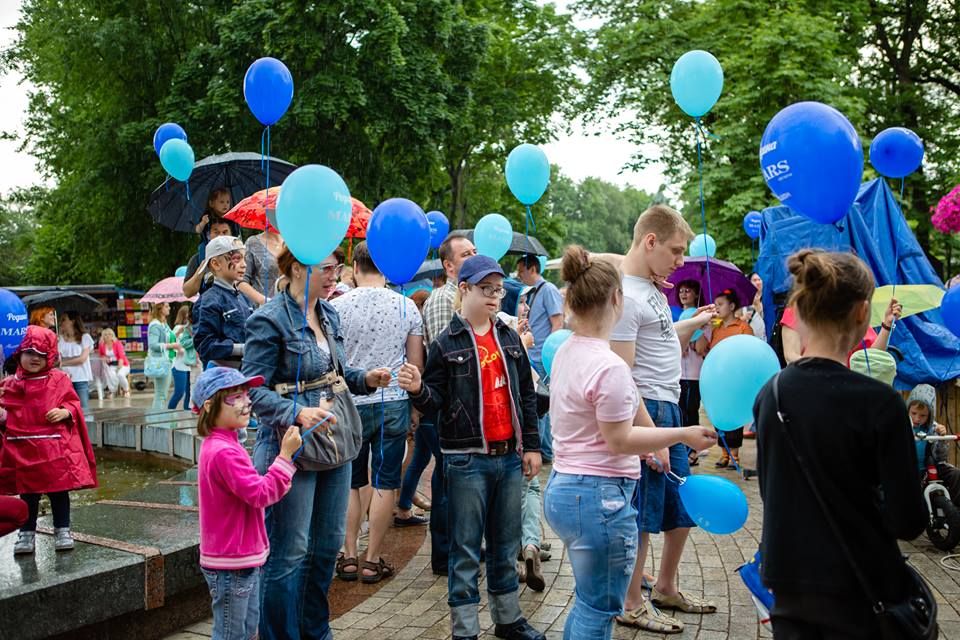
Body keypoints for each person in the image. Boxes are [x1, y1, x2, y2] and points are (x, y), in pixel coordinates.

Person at [544, 246, 716, 640]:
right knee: (599, 608)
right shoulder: (611, 367)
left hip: (566, 491)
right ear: (617, 299)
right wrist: (681, 435)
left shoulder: (568, 350)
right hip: (599, 498)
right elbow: (619, 439)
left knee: (587, 602)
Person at [753, 249, 927, 638]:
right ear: (863, 313)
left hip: (788, 584)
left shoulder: (771, 394)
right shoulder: (881, 404)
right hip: (861, 588)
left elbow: (772, 490)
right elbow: (908, 521)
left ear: (798, 309)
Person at [244, 246, 391, 640]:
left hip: (334, 446)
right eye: (326, 268)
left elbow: (333, 375)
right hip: (289, 449)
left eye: (338, 267)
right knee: (288, 554)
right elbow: (251, 393)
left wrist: (365, 378)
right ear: (296, 268)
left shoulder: (330, 313)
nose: (335, 275)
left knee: (327, 548)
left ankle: (315, 631)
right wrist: (296, 412)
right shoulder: (269, 319)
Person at [398, 255, 545, 640]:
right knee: (464, 548)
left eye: (498, 289)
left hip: (508, 458)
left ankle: (508, 619)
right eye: (486, 289)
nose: (495, 296)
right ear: (464, 289)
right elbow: (434, 402)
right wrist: (417, 389)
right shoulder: (447, 343)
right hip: (465, 460)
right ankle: (465, 629)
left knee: (505, 542)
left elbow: (527, 397)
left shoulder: (510, 337)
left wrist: (531, 444)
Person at [609, 205, 718, 633]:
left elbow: (658, 338)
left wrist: (691, 322)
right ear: (649, 241)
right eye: (675, 251)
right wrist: (651, 437)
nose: (679, 262)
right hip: (648, 410)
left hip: (667, 407)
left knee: (677, 507)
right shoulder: (626, 295)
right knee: (644, 513)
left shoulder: (651, 287)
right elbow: (622, 374)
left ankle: (666, 588)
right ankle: (631, 601)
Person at [332, 241, 425, 583]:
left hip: (351, 404)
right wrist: (415, 404)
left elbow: (334, 363)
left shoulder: (337, 307)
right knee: (386, 481)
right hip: (393, 403)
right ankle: (373, 560)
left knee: (352, 482)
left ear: (354, 270)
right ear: (385, 268)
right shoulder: (406, 308)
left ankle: (349, 555)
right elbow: (415, 366)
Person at [194, 367, 300, 640]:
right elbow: (260, 494)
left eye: (246, 395)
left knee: (246, 631)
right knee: (233, 634)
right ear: (209, 405)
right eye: (235, 397)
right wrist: (285, 457)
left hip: (238, 558)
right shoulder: (224, 451)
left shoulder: (222, 444)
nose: (246, 403)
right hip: (232, 562)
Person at [1, 326, 97, 554]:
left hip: (54, 451)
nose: (35, 359)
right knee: (28, 495)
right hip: (24, 452)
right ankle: (26, 533)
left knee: (59, 492)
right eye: (30, 353)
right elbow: (5, 415)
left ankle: (62, 529)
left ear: (50, 356)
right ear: (19, 353)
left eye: (42, 354)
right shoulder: (10, 384)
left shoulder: (59, 379)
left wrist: (66, 411)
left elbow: (73, 403)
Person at [419, 231, 477, 575]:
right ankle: (444, 553)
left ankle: (461, 546)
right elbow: (450, 359)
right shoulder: (444, 299)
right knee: (445, 483)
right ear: (449, 266)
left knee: (459, 482)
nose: (473, 256)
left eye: (475, 251)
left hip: (465, 409)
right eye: (466, 254)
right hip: (448, 407)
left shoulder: (469, 296)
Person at [515, 254, 564, 463]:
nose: (518, 275)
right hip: (531, 353)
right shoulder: (531, 292)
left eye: (521, 270)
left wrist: (551, 356)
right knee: (536, 404)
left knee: (541, 405)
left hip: (543, 356)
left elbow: (558, 322)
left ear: (532, 269)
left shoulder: (549, 290)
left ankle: (545, 451)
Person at [705, 288, 754, 469]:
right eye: (716, 304)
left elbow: (749, 352)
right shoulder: (715, 327)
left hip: (735, 379)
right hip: (717, 379)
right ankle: (724, 453)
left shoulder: (743, 328)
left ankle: (735, 455)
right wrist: (706, 328)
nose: (717, 308)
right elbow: (704, 349)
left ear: (732, 306)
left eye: (720, 304)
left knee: (734, 416)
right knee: (719, 416)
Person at [780, 297, 902, 364]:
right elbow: (791, 357)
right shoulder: (796, 311)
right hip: (809, 387)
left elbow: (871, 357)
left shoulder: (850, 313)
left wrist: (887, 324)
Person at [194, 236, 253, 369]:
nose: (244, 264)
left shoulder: (244, 298)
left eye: (245, 258)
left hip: (246, 370)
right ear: (216, 264)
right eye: (237, 259)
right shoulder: (208, 301)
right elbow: (205, 345)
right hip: (223, 375)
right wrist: (241, 348)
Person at [909, 384, 960, 506]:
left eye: (923, 415)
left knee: (956, 474)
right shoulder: (901, 425)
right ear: (907, 410)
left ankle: (955, 509)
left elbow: (941, 457)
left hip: (929, 467)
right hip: (906, 468)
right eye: (913, 413)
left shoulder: (933, 428)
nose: (917, 418)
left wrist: (941, 438)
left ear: (930, 415)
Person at [676, 280, 707, 465]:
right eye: (681, 291)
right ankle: (682, 448)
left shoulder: (704, 321)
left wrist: (695, 334)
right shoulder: (679, 319)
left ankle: (693, 450)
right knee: (680, 412)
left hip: (694, 375)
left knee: (691, 411)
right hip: (678, 374)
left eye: (688, 291)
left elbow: (701, 347)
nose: (683, 294)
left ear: (696, 294)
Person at [58, 312, 95, 429]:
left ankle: (88, 433)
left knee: (83, 409)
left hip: (80, 378)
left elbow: (82, 359)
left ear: (72, 321)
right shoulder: (60, 339)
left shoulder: (85, 337)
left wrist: (63, 362)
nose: (61, 323)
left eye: (64, 319)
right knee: (65, 408)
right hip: (64, 379)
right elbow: (57, 358)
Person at [183, 219, 235, 299]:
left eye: (225, 232)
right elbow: (187, 293)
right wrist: (201, 270)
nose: (221, 236)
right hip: (208, 306)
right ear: (208, 235)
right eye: (216, 232)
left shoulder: (240, 257)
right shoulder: (197, 259)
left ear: (231, 235)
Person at [147, 303, 182, 409]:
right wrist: (171, 345)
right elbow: (153, 345)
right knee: (160, 394)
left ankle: (158, 418)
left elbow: (167, 338)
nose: (169, 308)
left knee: (163, 394)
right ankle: (156, 419)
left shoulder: (163, 324)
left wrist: (177, 333)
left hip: (167, 361)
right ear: (160, 309)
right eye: (166, 306)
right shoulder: (155, 325)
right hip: (160, 362)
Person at [240, 226, 285, 307]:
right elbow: (240, 281)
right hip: (264, 311)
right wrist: (263, 300)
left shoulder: (293, 242)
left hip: (291, 308)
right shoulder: (253, 243)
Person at [169, 306, 197, 410]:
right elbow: (174, 345)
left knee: (189, 393)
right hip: (179, 366)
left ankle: (187, 412)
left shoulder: (191, 328)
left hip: (189, 365)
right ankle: (169, 412)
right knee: (179, 393)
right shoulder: (178, 328)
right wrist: (178, 334)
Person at [98, 328, 130, 398]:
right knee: (110, 375)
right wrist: (104, 357)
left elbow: (121, 356)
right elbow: (100, 354)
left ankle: (126, 390)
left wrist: (119, 367)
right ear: (103, 336)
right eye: (105, 335)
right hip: (111, 364)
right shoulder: (101, 344)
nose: (108, 336)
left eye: (110, 334)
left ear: (113, 335)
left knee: (120, 374)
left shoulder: (117, 343)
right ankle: (112, 391)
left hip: (123, 364)